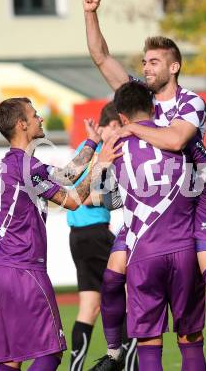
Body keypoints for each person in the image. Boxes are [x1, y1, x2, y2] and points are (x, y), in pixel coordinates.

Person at [83, 0, 206, 371]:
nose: (146, 67)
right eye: (144, 62)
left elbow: (175, 139)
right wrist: (90, 14)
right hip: (146, 204)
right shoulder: (143, 100)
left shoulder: (191, 102)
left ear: (174, 67)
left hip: (190, 198)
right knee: (111, 278)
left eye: (154, 62)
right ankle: (113, 352)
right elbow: (101, 57)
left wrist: (131, 130)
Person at [0, 97, 122, 371]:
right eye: (35, 115)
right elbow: (72, 200)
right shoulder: (26, 166)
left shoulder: (15, 164)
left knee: (11, 360)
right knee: (51, 352)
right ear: (22, 124)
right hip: (23, 270)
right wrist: (99, 163)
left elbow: (66, 175)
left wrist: (92, 144)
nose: (41, 119)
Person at [108, 81, 206, 371]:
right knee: (190, 336)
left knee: (149, 341)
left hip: (143, 253)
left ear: (123, 118)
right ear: (153, 108)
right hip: (184, 249)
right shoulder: (176, 137)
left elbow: (107, 201)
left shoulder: (116, 147)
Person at [67, 102, 138, 371]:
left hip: (78, 237)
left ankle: (76, 368)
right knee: (128, 295)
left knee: (89, 306)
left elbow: (69, 183)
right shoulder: (101, 154)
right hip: (96, 234)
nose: (123, 134)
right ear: (111, 127)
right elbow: (84, 198)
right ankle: (127, 362)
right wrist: (118, 199)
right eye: (120, 127)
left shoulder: (84, 152)